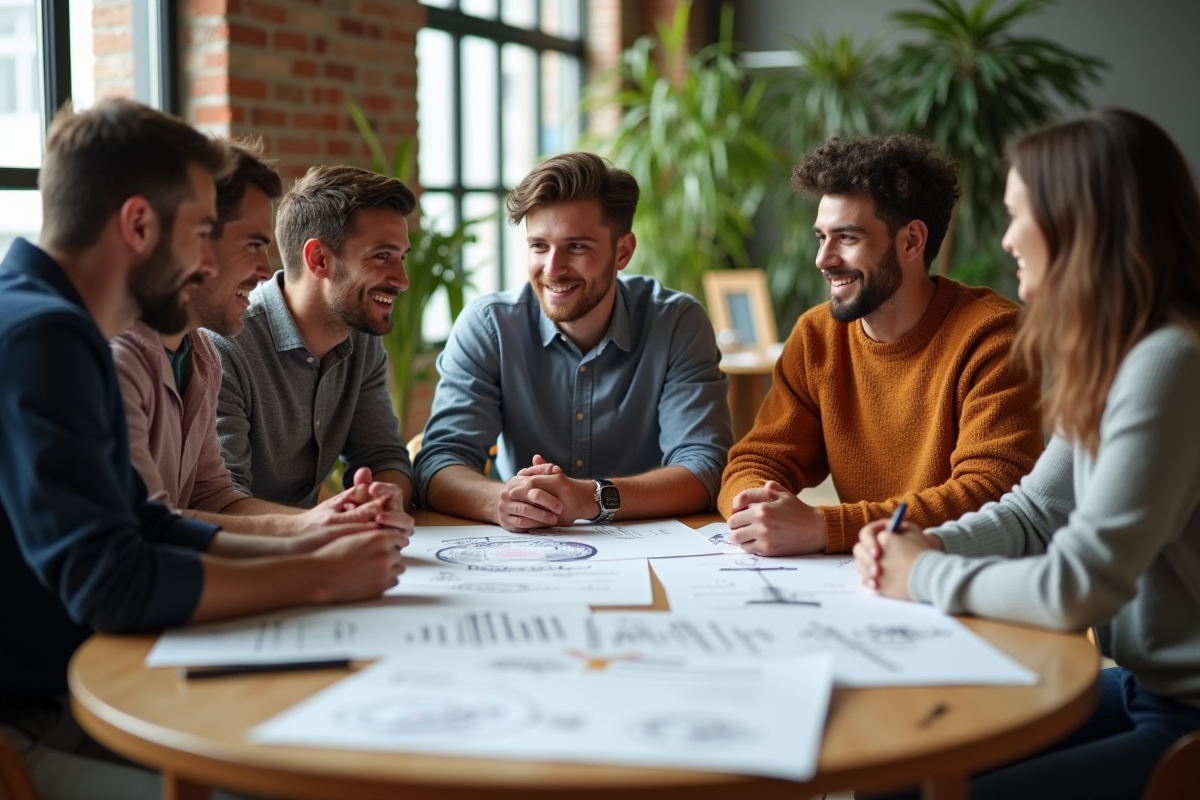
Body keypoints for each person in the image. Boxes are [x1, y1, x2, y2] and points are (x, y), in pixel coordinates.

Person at [0, 99, 405, 800]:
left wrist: (311, 546)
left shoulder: (56, 323)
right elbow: (112, 583)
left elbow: (148, 522)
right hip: (38, 721)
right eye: (199, 232)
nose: (204, 260)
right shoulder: (45, 338)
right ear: (138, 225)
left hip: (93, 684)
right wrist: (318, 579)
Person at [854, 109, 1200, 800]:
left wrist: (922, 576)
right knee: (890, 780)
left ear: (1081, 220)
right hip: (1140, 686)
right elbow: (1038, 512)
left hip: (1186, 718)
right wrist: (928, 544)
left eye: (1019, 214)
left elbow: (1080, 584)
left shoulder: (1169, 361)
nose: (1007, 237)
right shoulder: (1111, 353)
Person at [718, 134, 1043, 556]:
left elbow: (989, 497)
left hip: (966, 582)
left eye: (847, 238)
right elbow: (755, 460)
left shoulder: (994, 337)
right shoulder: (817, 336)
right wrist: (754, 507)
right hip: (867, 580)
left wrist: (824, 527)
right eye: (822, 237)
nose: (823, 259)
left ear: (911, 242)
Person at [415, 152, 732, 530]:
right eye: (539, 246)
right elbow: (439, 460)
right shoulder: (489, 326)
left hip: (650, 552)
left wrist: (589, 498)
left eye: (576, 247)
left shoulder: (677, 323)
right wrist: (501, 501)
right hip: (524, 550)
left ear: (623, 252)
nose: (552, 269)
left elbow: (706, 468)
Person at [111, 141, 411, 537]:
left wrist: (371, 505)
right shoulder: (212, 343)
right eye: (381, 256)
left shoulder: (199, 355)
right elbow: (155, 526)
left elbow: (210, 494)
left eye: (402, 257)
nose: (262, 271)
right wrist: (316, 535)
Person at [210, 165, 417, 510]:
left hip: (315, 546)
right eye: (382, 256)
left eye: (401, 257)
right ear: (319, 259)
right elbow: (221, 502)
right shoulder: (226, 346)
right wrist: (323, 526)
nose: (402, 280)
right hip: (245, 555)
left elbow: (383, 455)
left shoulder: (361, 337)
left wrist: (383, 499)